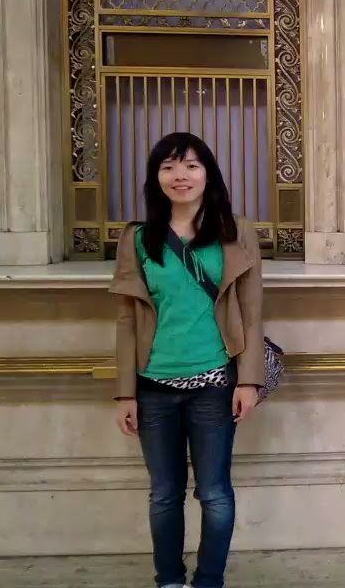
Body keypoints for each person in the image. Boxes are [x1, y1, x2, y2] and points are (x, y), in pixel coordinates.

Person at [110, 132, 266, 588]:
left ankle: (209, 580)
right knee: (164, 494)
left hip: (215, 385)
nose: (180, 175)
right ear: (156, 177)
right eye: (169, 167)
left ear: (208, 174)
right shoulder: (138, 238)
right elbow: (126, 319)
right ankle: (170, 580)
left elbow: (252, 312)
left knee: (214, 492)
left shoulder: (236, 232)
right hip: (153, 387)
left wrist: (248, 381)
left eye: (191, 165)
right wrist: (125, 393)